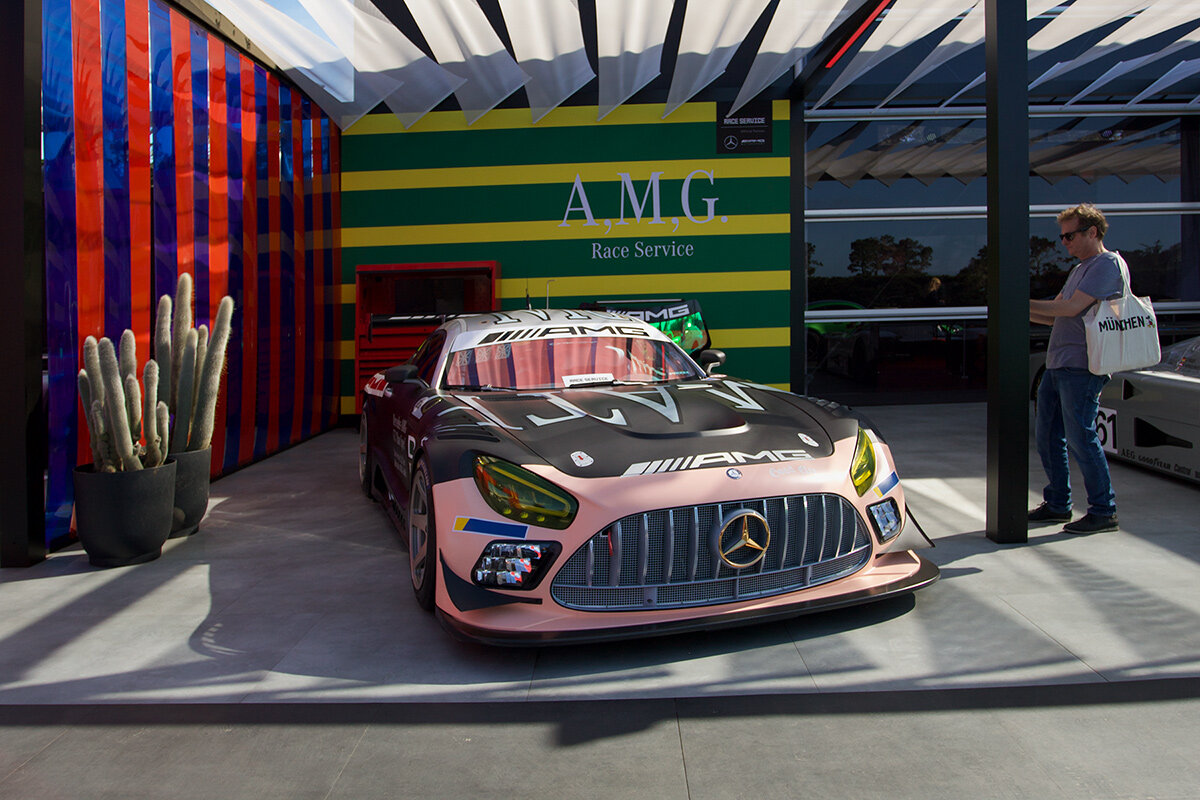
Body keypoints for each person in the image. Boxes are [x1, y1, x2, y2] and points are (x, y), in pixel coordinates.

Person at [1028, 204, 1126, 534]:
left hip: (1082, 367)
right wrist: (1013, 306)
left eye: (1069, 235)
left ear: (1092, 232)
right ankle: (1058, 503)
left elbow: (1070, 308)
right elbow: (1056, 313)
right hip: (1058, 365)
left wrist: (1016, 301)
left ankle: (1103, 509)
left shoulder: (1107, 264)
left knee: (1081, 438)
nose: (1063, 243)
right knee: (1047, 437)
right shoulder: (1080, 268)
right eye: (1061, 236)